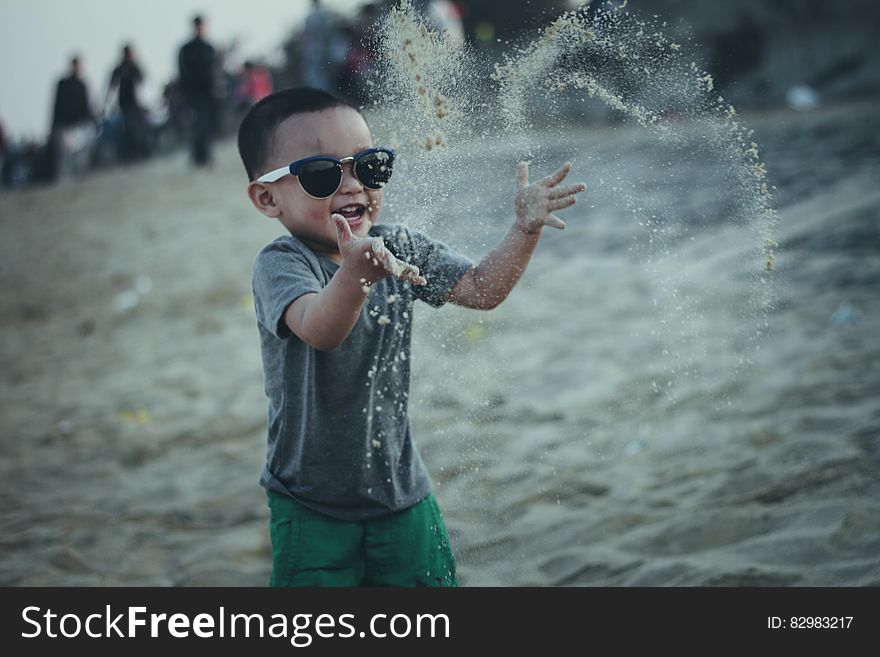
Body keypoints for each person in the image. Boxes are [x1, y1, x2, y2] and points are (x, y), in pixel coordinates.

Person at [238, 87, 586, 586]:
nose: (354, 185)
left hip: (401, 491)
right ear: (268, 197)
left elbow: (481, 289)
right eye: (323, 174)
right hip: (310, 502)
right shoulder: (282, 264)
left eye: (370, 166)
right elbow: (320, 330)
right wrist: (356, 274)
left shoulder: (395, 245)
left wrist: (523, 229)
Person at [178, 15, 217, 166]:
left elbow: (214, 71)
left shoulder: (209, 48)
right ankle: (198, 156)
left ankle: (206, 155)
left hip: (208, 93)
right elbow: (183, 72)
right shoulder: (187, 49)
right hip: (193, 94)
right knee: (197, 125)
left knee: (207, 124)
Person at [50, 56, 97, 180]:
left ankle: (79, 179)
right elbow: (56, 106)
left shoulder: (82, 84)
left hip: (79, 127)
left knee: (80, 158)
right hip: (65, 128)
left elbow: (86, 106)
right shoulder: (63, 84)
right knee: (64, 159)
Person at [105, 43, 151, 161]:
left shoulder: (135, 68)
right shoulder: (119, 69)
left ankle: (140, 152)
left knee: (138, 129)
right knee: (128, 129)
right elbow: (111, 87)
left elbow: (144, 83)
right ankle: (129, 154)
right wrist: (106, 103)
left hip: (136, 104)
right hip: (124, 104)